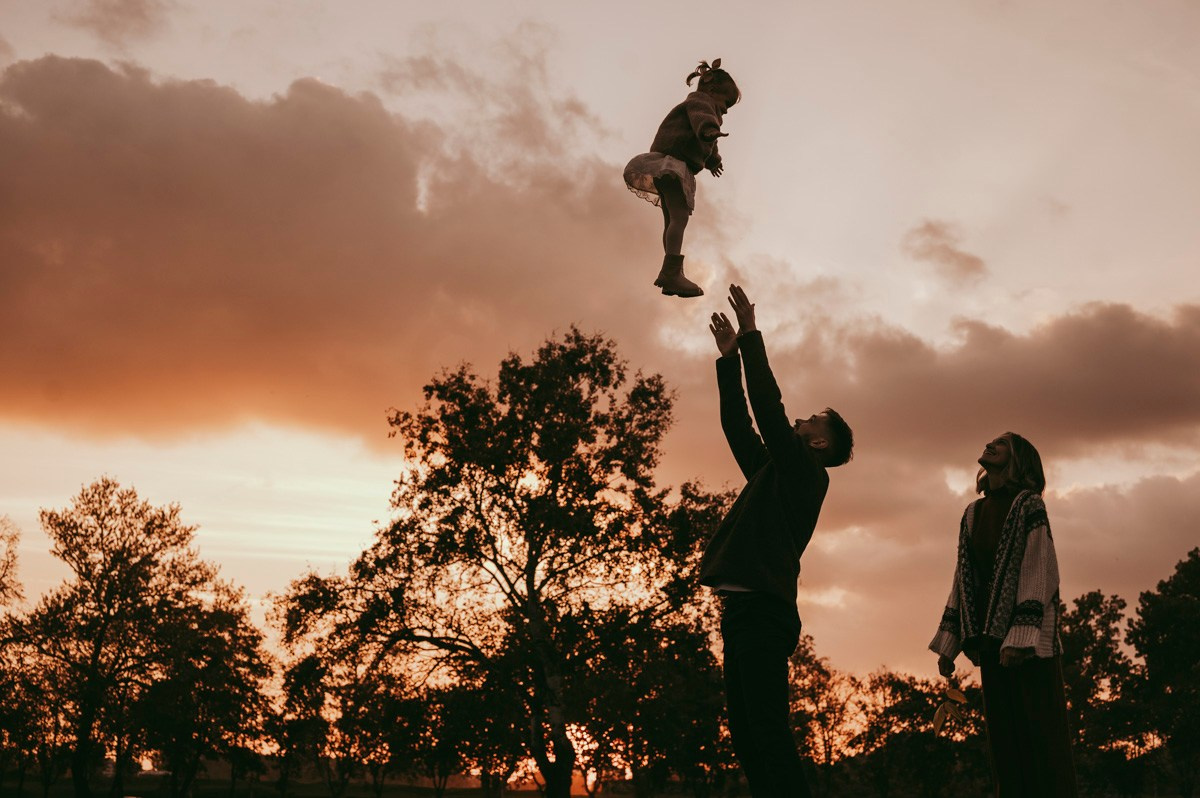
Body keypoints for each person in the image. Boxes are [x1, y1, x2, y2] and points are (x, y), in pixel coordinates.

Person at [702, 284, 854, 797]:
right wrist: (727, 364)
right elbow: (738, 425)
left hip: (765, 615)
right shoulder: (774, 472)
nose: (801, 418)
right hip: (741, 614)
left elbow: (767, 407)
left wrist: (750, 336)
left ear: (818, 443)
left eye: (812, 420)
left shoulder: (806, 473)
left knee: (766, 731)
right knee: (747, 737)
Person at [929, 433, 1078, 797]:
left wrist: (1021, 635)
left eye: (1001, 442)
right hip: (991, 649)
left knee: (1043, 747)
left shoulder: (1029, 505)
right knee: (1006, 753)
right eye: (990, 440)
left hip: (1031, 652)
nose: (990, 443)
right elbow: (962, 578)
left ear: (1019, 459)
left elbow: (1039, 568)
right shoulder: (971, 513)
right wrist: (949, 642)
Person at [624, 59, 741, 298]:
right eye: (726, 102)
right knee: (678, 218)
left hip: (667, 168)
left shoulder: (707, 110)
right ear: (711, 91)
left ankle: (670, 273)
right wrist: (709, 129)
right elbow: (702, 121)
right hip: (673, 166)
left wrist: (713, 160)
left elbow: (709, 142)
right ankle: (671, 272)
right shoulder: (700, 102)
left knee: (671, 220)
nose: (726, 109)